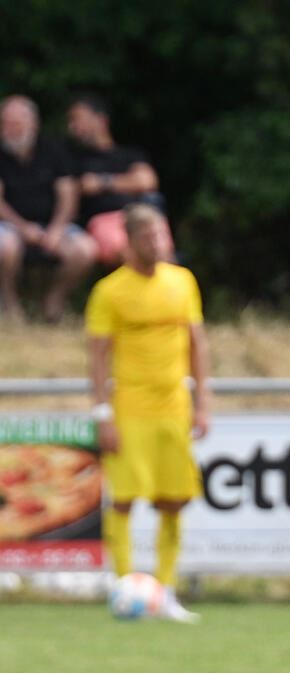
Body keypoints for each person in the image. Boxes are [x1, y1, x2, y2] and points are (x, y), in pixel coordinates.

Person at [86, 203, 210, 623]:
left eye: (163, 235)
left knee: (173, 501)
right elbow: (98, 355)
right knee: (123, 500)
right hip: (129, 408)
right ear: (131, 242)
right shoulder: (109, 291)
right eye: (150, 238)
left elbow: (197, 344)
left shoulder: (183, 281)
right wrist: (103, 413)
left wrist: (202, 403)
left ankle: (167, 591)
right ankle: (123, 585)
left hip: (174, 407)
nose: (159, 244)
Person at [0, 95, 96, 322]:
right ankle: (10, 304)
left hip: (54, 226)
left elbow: (68, 195)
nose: (9, 129)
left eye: (16, 123)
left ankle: (54, 300)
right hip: (11, 226)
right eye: (5, 123)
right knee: (5, 246)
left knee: (86, 249)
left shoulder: (53, 150)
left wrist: (55, 229)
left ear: (33, 124)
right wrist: (24, 228)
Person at [67, 93, 171, 265]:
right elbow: (82, 187)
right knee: (129, 253)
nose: (72, 127)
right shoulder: (74, 159)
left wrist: (103, 182)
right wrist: (128, 182)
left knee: (160, 249)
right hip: (103, 220)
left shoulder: (129, 154)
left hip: (139, 215)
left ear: (100, 120)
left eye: (77, 119)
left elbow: (147, 181)